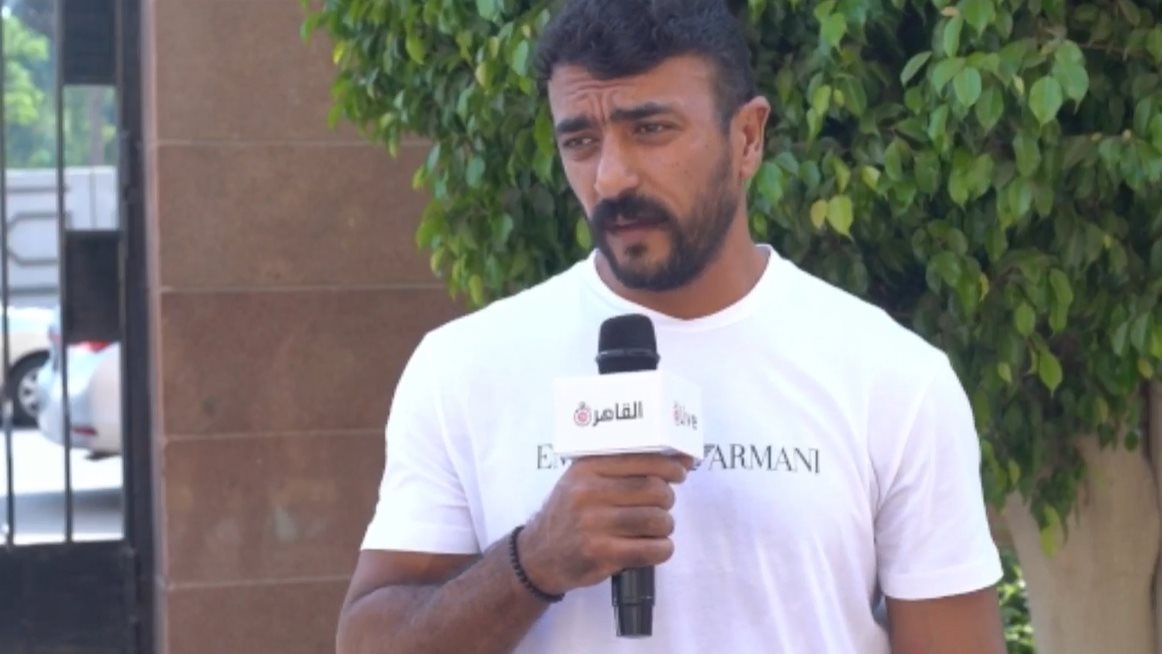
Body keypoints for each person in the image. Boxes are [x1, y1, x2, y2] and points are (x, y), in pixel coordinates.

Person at [335, 0, 1007, 652]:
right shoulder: (464, 368)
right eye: (581, 141)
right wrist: (533, 560)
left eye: (651, 130)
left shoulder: (892, 377)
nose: (611, 177)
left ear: (747, 138)